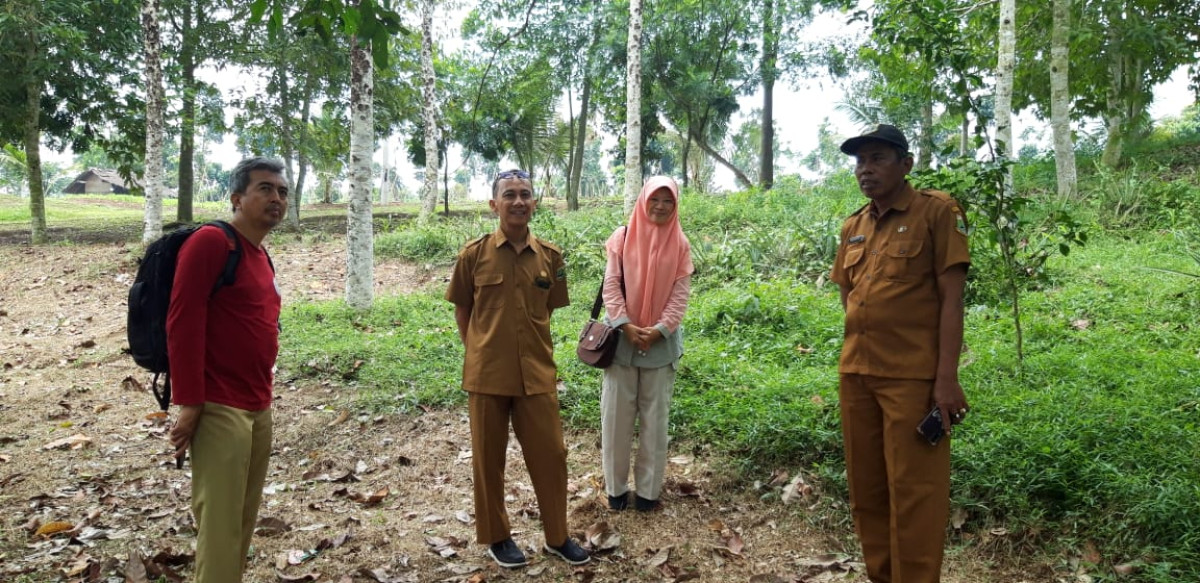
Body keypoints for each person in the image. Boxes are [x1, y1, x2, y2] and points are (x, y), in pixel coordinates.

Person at [830, 124, 971, 583]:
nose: (865, 170)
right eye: (859, 162)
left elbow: (952, 299)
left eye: (877, 159)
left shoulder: (937, 213)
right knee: (868, 492)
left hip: (912, 380)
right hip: (857, 375)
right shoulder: (854, 225)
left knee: (915, 496)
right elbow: (848, 296)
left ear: (906, 164)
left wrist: (945, 379)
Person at [445, 169, 591, 569]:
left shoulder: (551, 256)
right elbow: (463, 309)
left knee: (551, 455)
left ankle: (557, 536)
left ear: (535, 202)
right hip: (487, 374)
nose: (518, 201)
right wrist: (478, 350)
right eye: (509, 195)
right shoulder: (473, 255)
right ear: (494, 204)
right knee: (488, 459)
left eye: (525, 194)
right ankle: (497, 536)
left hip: (537, 374)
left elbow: (548, 310)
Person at [166, 157, 288, 582]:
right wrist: (190, 403)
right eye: (265, 189)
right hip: (219, 406)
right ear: (237, 198)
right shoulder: (211, 243)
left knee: (240, 524)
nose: (276, 198)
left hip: (258, 403)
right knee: (219, 529)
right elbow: (182, 322)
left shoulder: (258, 254)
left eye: (282, 191)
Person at [600, 176, 694, 512]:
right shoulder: (622, 238)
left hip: (660, 346)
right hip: (621, 343)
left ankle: (648, 494)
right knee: (616, 420)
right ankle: (615, 490)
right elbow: (611, 285)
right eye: (655, 199)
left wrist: (659, 329)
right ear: (643, 200)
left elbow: (680, 295)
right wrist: (625, 324)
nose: (660, 206)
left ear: (675, 205)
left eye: (668, 201)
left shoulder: (680, 244)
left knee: (655, 422)